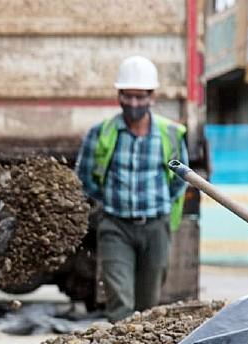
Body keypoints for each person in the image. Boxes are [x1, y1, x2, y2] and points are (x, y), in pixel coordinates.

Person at [75, 55, 189, 322]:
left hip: (156, 227)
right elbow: (84, 178)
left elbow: (181, 178)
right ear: (119, 96)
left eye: (140, 97)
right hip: (116, 227)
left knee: (148, 304)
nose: (134, 104)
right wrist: (108, 202)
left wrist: (163, 204)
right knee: (120, 300)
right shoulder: (100, 133)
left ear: (152, 97)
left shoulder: (170, 134)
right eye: (128, 96)